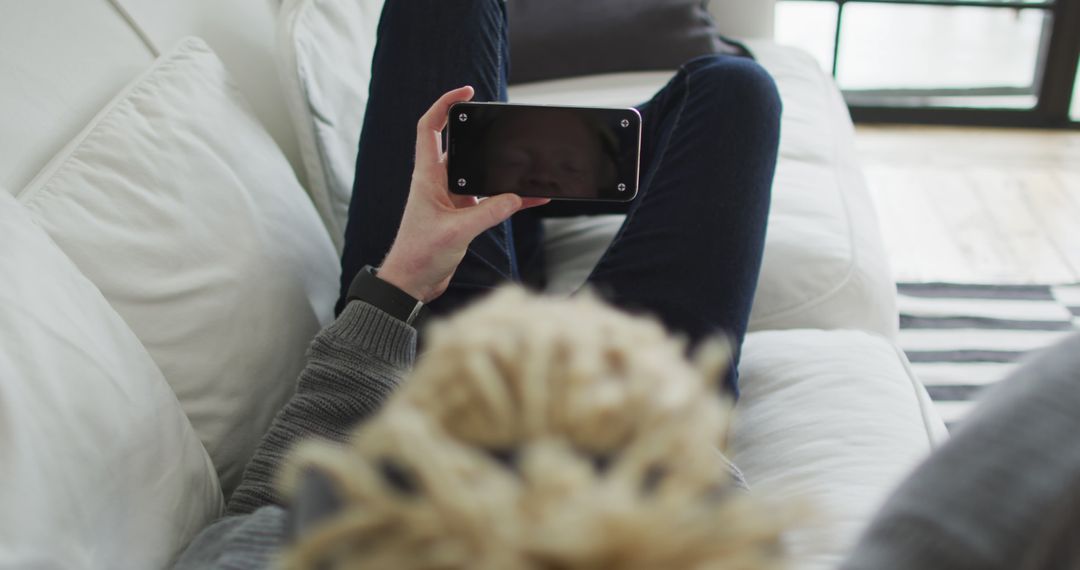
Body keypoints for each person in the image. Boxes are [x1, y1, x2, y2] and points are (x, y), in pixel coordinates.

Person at [174, 0, 780, 567]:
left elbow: (269, 504)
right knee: (735, 91)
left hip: (435, 371)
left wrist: (402, 280)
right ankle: (533, 190)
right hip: (631, 421)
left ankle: (516, 186)